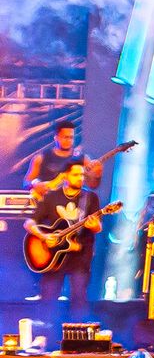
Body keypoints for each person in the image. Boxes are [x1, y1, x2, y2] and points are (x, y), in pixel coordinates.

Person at [26, 160, 102, 322]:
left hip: (80, 256)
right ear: (65, 176)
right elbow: (29, 223)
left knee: (79, 297)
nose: (80, 178)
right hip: (53, 256)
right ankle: (44, 332)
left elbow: (97, 227)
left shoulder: (90, 198)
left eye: (82, 175)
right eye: (76, 174)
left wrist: (94, 226)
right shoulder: (51, 197)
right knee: (48, 297)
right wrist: (44, 237)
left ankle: (78, 333)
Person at [25, 122, 101, 198]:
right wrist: (35, 184)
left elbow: (93, 185)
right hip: (47, 201)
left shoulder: (83, 159)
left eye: (71, 137)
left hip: (73, 202)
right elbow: (26, 182)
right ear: (56, 138)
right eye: (65, 137)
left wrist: (97, 175)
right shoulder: (41, 158)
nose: (69, 140)